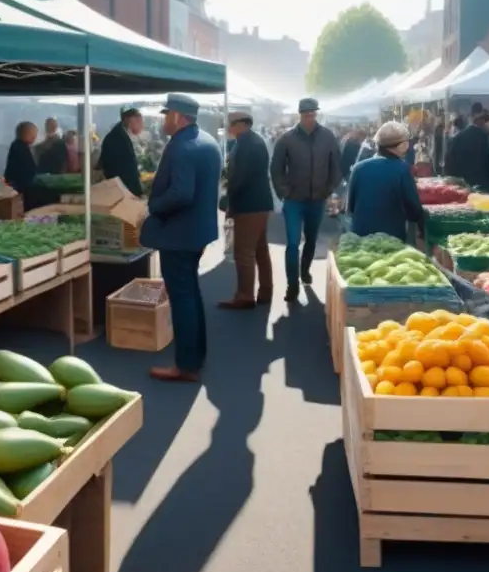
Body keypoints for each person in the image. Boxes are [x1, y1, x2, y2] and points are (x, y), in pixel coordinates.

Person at [139, 94, 221, 382]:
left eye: (167, 115)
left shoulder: (182, 146)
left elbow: (182, 193)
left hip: (179, 234)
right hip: (196, 232)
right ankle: (195, 356)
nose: (164, 120)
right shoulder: (207, 141)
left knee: (183, 297)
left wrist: (153, 206)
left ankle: (186, 365)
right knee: (191, 294)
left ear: (178, 116)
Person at [270, 97, 343, 302]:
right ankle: (292, 284)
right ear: (300, 115)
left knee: (311, 239)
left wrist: (328, 189)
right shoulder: (287, 139)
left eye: (312, 114)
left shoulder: (328, 137)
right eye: (306, 115)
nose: (309, 118)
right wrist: (284, 191)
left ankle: (305, 270)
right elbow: (276, 169)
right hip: (294, 200)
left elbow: (336, 166)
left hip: (317, 199)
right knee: (293, 243)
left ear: (316, 114)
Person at [219, 111, 274, 309]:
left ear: (241, 124)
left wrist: (228, 199)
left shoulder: (246, 144)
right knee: (260, 250)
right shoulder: (254, 141)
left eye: (230, 124)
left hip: (248, 205)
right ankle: (265, 291)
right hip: (259, 203)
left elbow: (239, 178)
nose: (228, 128)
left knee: (244, 253)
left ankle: (245, 295)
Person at [346, 121, 425, 241]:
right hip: (391, 240)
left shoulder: (358, 168)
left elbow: (350, 208)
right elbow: (415, 211)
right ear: (402, 146)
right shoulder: (401, 169)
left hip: (360, 239)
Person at [445, 103, 489, 190]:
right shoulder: (487, 138)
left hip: (461, 185)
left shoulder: (458, 138)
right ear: (482, 121)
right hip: (482, 186)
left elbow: (449, 163)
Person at [99, 107, 144, 196]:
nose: (141, 125)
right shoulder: (116, 138)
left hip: (123, 186)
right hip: (121, 188)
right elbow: (125, 168)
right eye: (138, 121)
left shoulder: (121, 133)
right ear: (128, 120)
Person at [4, 121, 39, 202]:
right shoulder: (21, 148)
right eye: (33, 135)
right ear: (27, 135)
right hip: (20, 187)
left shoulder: (17, 145)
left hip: (16, 185)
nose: (35, 137)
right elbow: (29, 169)